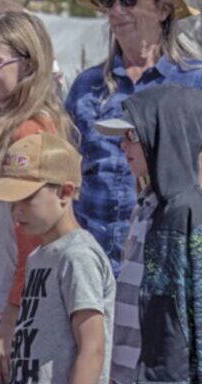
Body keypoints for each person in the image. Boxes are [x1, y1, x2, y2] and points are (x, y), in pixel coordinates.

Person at [0, 11, 78, 384]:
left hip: (3, 311)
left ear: (27, 64)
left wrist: (10, 318)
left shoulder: (29, 131)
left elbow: (33, 236)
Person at [66, 0, 202, 277]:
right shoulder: (87, 86)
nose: (116, 11)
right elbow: (65, 172)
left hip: (167, 268)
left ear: (163, 10)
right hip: (92, 267)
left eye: (128, 1)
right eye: (108, 2)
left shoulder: (194, 82)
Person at [0, 133, 115, 384]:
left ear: (65, 192)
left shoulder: (78, 255)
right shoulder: (37, 258)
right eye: (12, 200)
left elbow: (92, 349)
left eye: (27, 198)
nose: (16, 210)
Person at [95, 84, 202, 383]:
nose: (122, 146)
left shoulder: (187, 212)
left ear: (165, 135)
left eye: (131, 135)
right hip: (129, 372)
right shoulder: (145, 205)